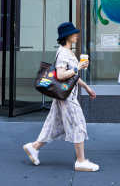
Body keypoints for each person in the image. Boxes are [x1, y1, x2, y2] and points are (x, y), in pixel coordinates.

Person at [23, 22, 100, 172]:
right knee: (78, 124)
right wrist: (78, 67)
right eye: (74, 33)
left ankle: (33, 147)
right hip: (67, 98)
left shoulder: (68, 52)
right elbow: (60, 75)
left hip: (64, 96)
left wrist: (87, 87)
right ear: (67, 36)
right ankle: (80, 161)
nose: (77, 35)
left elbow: (73, 77)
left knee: (54, 126)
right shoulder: (63, 53)